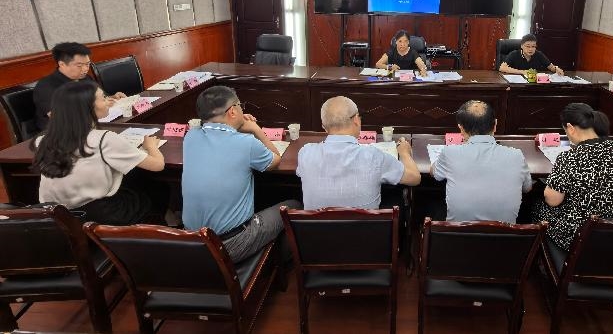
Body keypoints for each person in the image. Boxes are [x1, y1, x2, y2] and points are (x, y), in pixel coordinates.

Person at [182, 86, 301, 263]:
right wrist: (255, 129)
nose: (242, 110)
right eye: (240, 106)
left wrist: (236, 125)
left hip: (192, 241)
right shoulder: (246, 143)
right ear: (232, 111)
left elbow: (220, 137)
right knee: (294, 205)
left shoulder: (191, 136)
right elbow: (276, 159)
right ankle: (276, 265)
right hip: (231, 244)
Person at [32, 80, 168, 225]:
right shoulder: (104, 139)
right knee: (158, 189)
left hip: (57, 216)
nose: (108, 101)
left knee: (129, 179)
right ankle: (157, 229)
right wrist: (151, 146)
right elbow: (157, 165)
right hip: (101, 214)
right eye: (103, 98)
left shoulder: (42, 140)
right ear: (89, 108)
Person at [297, 96, 421, 209]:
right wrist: (404, 153)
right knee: (396, 198)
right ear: (356, 120)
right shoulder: (373, 156)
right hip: (366, 227)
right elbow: (415, 178)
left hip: (316, 227)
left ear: (324, 127)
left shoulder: (305, 153)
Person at [534, 103, 613, 250]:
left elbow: (552, 201)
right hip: (611, 228)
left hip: (577, 235)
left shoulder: (569, 157)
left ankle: (538, 252)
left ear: (571, 128)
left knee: (536, 206)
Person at [431, 100, 532, 223]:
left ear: (461, 128)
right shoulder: (517, 155)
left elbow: (436, 174)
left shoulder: (449, 152)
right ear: (495, 125)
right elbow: (527, 188)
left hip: (458, 234)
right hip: (504, 235)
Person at [33, 42, 125, 130]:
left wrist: (112, 98)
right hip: (63, 133)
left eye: (87, 64)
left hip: (95, 125)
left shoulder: (85, 78)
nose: (85, 69)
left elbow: (97, 100)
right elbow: (62, 118)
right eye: (79, 66)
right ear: (62, 64)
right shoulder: (46, 87)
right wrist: (99, 107)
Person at [498, 33, 564, 76]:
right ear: (522, 46)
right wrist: (523, 72)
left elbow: (551, 67)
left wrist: (556, 68)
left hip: (533, 84)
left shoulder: (539, 54)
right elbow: (502, 68)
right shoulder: (514, 54)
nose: (531, 49)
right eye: (528, 46)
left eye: (533, 46)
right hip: (516, 84)